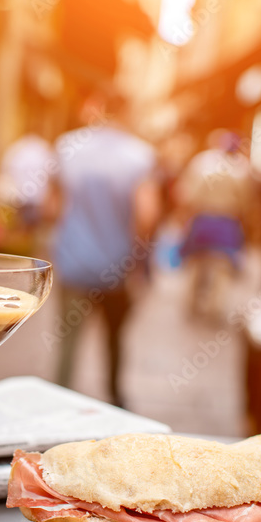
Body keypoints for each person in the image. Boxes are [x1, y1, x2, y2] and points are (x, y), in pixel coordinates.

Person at [49, 89, 159, 408]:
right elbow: (146, 215)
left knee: (68, 340)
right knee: (114, 338)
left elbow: (51, 207)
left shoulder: (68, 146)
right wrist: (139, 262)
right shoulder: (139, 155)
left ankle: (57, 399)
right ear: (126, 113)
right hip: (116, 265)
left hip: (72, 261)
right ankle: (114, 399)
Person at [175, 130, 261, 321]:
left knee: (196, 264)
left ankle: (190, 303)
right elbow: (247, 201)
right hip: (226, 223)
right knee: (221, 269)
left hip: (202, 220)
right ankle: (214, 308)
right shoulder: (241, 168)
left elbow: (186, 194)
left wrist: (183, 218)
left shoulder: (200, 162)